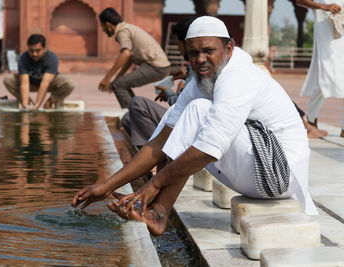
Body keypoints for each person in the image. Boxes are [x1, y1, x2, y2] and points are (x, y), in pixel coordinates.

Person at [72, 16, 318, 236]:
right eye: (193, 53)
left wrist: (153, 185)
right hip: (254, 173)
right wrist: (107, 186)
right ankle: (157, 212)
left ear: (229, 48)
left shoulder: (239, 76)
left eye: (209, 51)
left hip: (279, 174)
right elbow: (161, 142)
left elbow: (209, 149)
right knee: (184, 126)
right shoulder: (203, 79)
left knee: (198, 113)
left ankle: (159, 212)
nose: (200, 59)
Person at [121, 16, 196, 148]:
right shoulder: (193, 68)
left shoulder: (199, 66)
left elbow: (183, 106)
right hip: (181, 121)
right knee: (128, 118)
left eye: (179, 44)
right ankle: (146, 155)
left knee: (138, 103)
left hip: (187, 126)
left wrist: (167, 92)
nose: (178, 49)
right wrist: (186, 75)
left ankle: (153, 157)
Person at [98, 7, 171, 109]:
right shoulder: (127, 28)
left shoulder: (122, 31)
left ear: (108, 25)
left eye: (102, 26)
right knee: (119, 84)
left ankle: (135, 117)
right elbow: (129, 58)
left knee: (118, 85)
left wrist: (107, 78)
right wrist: (116, 78)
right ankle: (137, 113)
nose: (103, 30)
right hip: (159, 66)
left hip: (156, 67)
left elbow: (126, 54)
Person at [297, 0, 344, 137]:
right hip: (325, 33)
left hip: (341, 28)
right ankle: (311, 121)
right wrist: (323, 7)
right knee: (327, 78)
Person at [3, 34, 75, 110]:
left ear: (44, 49)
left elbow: (45, 84)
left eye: (38, 50)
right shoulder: (23, 58)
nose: (34, 54)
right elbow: (24, 84)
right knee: (8, 80)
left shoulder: (52, 58)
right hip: (31, 83)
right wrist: (25, 104)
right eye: (31, 50)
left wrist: (37, 105)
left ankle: (50, 102)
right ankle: (29, 103)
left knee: (69, 84)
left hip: (49, 83)